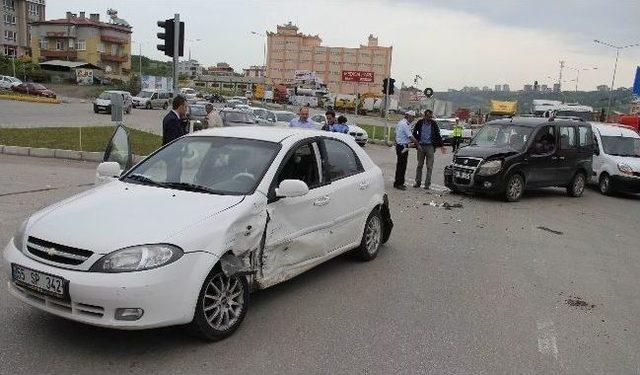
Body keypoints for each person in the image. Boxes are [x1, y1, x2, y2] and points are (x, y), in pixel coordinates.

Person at [412, 109, 446, 190]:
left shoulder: (434, 124)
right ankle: (418, 182)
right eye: (427, 116)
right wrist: (416, 142)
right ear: (424, 116)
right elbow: (414, 132)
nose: (429, 118)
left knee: (429, 166)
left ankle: (427, 184)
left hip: (430, 147)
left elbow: (438, 135)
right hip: (421, 146)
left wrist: (442, 146)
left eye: (430, 117)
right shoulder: (420, 123)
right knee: (420, 165)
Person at [393, 110, 417, 190]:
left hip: (401, 146)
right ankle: (399, 183)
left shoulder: (401, 123)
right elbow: (410, 136)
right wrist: (418, 144)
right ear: (408, 116)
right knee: (402, 165)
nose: (413, 119)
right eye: (412, 117)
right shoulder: (405, 124)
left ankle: (398, 182)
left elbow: (395, 133)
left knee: (400, 165)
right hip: (403, 147)